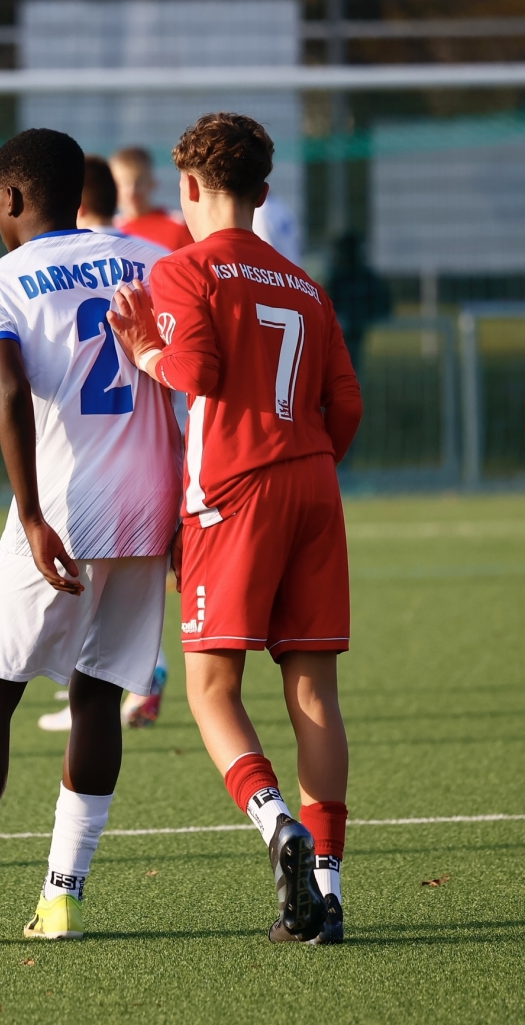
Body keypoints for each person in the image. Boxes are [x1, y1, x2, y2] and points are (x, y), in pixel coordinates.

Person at [0, 128, 182, 948]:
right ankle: (62, 899)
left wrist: (30, 514)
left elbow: (10, 385)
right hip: (147, 508)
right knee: (98, 693)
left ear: (12, 197)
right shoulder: (149, 259)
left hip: (61, 507)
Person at [108, 113, 362, 944]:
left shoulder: (184, 268)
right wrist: (307, 463)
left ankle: (275, 824)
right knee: (313, 691)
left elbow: (196, 371)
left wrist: (144, 347)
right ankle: (327, 891)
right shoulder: (306, 286)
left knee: (211, 688)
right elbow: (345, 405)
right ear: (262, 190)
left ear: (187, 187)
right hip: (314, 483)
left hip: (234, 492)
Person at [37, 154, 172, 734]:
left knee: (77, 602)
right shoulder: (148, 256)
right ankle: (137, 677)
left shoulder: (50, 264)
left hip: (81, 464)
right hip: (151, 459)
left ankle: (142, 676)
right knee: (124, 601)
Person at [327, 231, 392, 368]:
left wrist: (362, 318)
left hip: (358, 337)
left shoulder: (365, 279)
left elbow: (383, 303)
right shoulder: (339, 280)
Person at [110, 146, 193, 252]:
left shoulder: (179, 226)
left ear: (152, 182)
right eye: (122, 183)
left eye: (139, 182)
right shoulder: (109, 231)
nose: (131, 191)